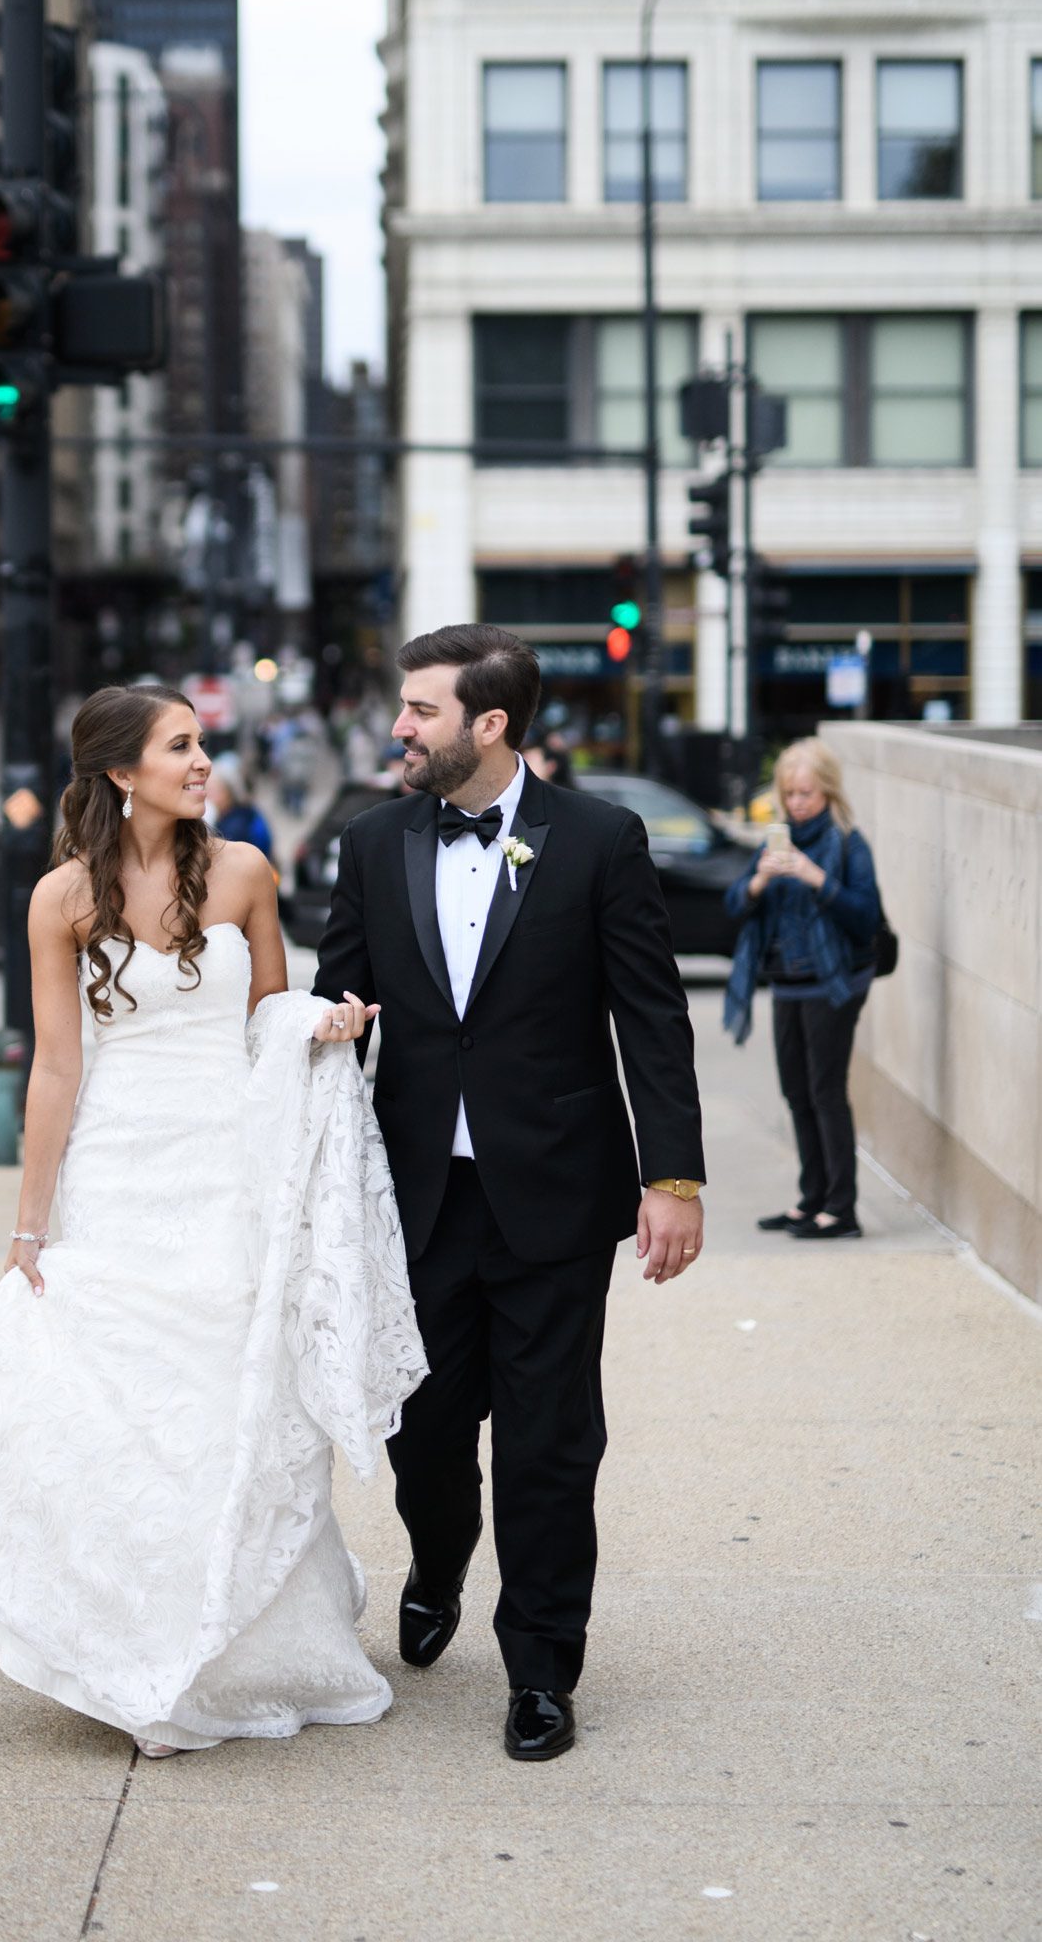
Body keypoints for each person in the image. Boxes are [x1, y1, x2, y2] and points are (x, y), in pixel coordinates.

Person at [0, 684, 427, 1758]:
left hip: (227, 1169)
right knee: (123, 1416)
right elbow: (56, 1065)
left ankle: (242, 1647)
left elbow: (270, 1013)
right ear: (121, 772)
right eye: (180, 746)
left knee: (228, 1406)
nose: (203, 761)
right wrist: (29, 1227)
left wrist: (325, 1021)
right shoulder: (61, 898)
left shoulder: (244, 871)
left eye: (201, 742)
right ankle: (130, 1638)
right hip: (117, 1177)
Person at [314, 624, 705, 1763]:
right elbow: (340, 997)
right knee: (425, 1429)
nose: (399, 726)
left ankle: (541, 1664)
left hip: (558, 1197)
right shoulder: (372, 841)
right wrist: (318, 1021)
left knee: (549, 1440)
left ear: (489, 724)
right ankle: (440, 1554)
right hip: (418, 1196)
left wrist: (670, 1176)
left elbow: (652, 1016)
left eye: (420, 710)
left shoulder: (599, 838)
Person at [723, 738, 882, 1241]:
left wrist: (818, 879)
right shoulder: (779, 840)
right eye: (789, 794)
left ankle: (842, 1208)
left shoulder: (847, 844)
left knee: (825, 1092)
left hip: (833, 985)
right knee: (797, 1093)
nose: (796, 803)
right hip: (786, 985)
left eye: (806, 794)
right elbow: (732, 906)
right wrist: (757, 883)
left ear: (829, 792)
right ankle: (812, 1198)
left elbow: (867, 918)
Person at [205, 752, 273, 859]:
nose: (207, 794)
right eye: (206, 788)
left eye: (213, 790)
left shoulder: (236, 825)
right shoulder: (242, 812)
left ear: (228, 793)